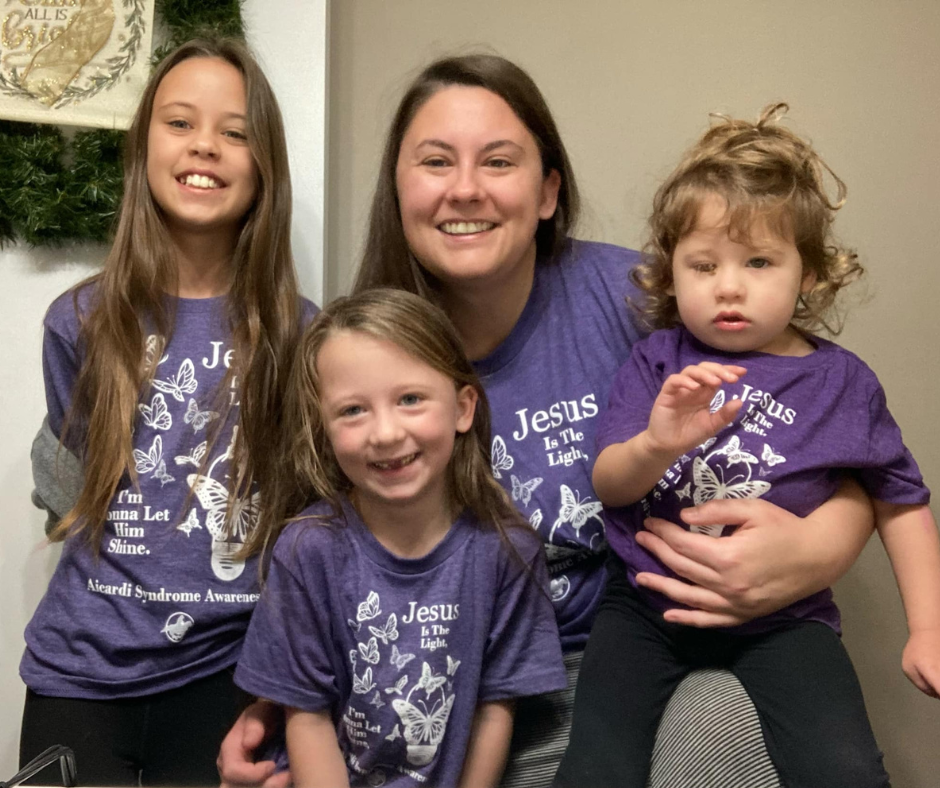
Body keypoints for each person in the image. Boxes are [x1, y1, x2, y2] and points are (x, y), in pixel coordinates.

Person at [218, 56, 874, 788]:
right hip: (456, 690)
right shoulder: (362, 348)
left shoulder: (643, 299)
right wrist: (285, 700)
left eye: (498, 161)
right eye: (435, 161)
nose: (465, 188)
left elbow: (826, 429)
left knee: (728, 739)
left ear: (548, 191)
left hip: (642, 654)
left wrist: (819, 548)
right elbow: (329, 553)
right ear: (398, 188)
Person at [554, 104, 939, 788]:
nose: (728, 286)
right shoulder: (656, 361)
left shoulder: (843, 383)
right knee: (593, 772)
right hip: (643, 609)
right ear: (671, 273)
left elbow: (900, 501)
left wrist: (929, 627)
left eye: (759, 261)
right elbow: (610, 484)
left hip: (784, 621)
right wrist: (655, 443)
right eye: (703, 265)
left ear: (809, 273)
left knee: (846, 770)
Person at [20, 38, 314, 786]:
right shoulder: (77, 322)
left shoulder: (303, 336)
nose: (204, 145)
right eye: (180, 122)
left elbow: (306, 522)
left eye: (235, 131)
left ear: (265, 164)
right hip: (78, 679)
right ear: (143, 147)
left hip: (231, 680)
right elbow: (69, 491)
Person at [233, 289, 566, 787]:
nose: (385, 433)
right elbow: (307, 715)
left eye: (410, 400)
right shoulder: (307, 550)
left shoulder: (507, 549)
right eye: (352, 410)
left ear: (463, 408)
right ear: (323, 428)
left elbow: (496, 708)